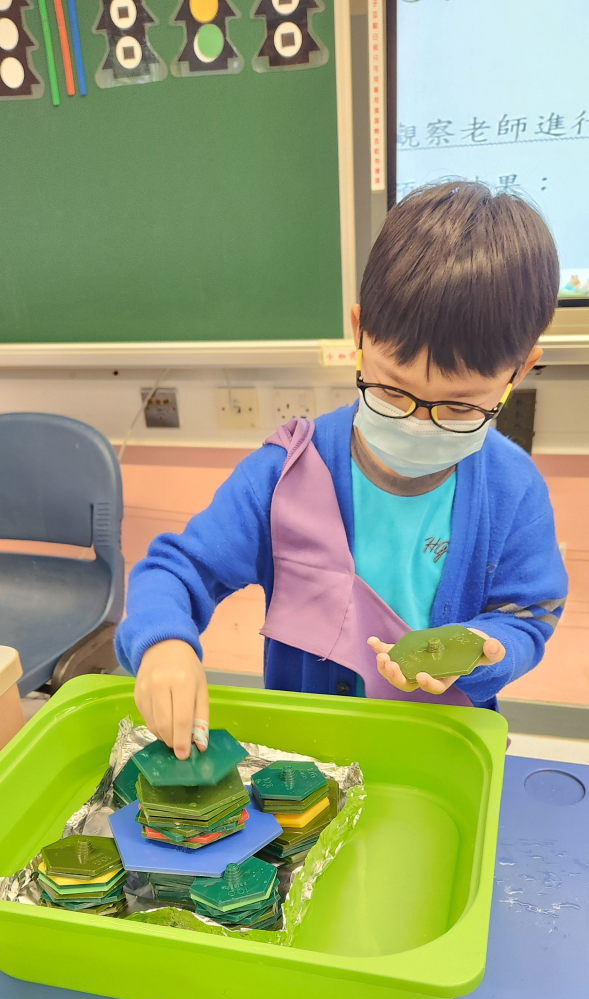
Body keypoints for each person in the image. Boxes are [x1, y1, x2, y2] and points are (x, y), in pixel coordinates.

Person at [116, 181, 567, 759]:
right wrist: (163, 644)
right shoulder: (286, 474)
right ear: (359, 332)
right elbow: (176, 570)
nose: (417, 423)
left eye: (459, 407)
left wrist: (484, 648)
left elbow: (527, 615)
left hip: (440, 754)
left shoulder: (513, 491)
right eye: (391, 391)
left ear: (519, 371)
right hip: (311, 757)